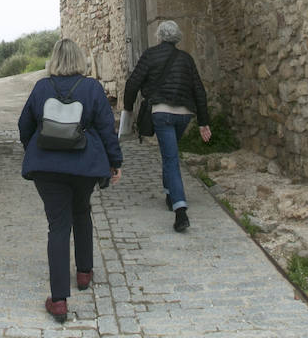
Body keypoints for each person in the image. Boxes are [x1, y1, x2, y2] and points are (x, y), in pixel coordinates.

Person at [18, 38, 123, 323]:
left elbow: (24, 125)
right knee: (81, 211)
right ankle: (84, 272)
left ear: (54, 60)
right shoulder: (91, 88)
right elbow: (106, 128)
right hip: (83, 166)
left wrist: (36, 149)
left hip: (47, 168)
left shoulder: (41, 87)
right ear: (80, 60)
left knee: (58, 226)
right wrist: (115, 162)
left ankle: (60, 300)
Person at [122, 20, 211, 233]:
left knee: (170, 157)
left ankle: (180, 211)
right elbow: (199, 90)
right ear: (177, 37)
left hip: (161, 113)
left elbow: (133, 83)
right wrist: (203, 122)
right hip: (184, 116)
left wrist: (128, 110)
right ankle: (170, 195)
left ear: (159, 36)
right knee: (169, 152)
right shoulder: (187, 59)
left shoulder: (150, 55)